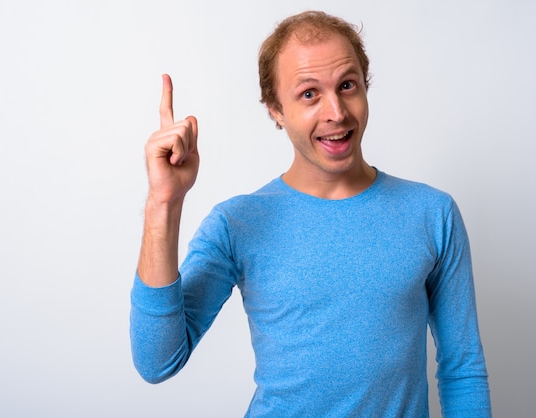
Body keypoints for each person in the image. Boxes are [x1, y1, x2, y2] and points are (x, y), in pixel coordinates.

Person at [130, 10, 491, 417]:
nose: (336, 112)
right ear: (275, 110)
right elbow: (158, 361)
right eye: (308, 94)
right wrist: (164, 203)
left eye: (347, 85)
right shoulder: (236, 224)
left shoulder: (433, 214)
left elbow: (462, 370)